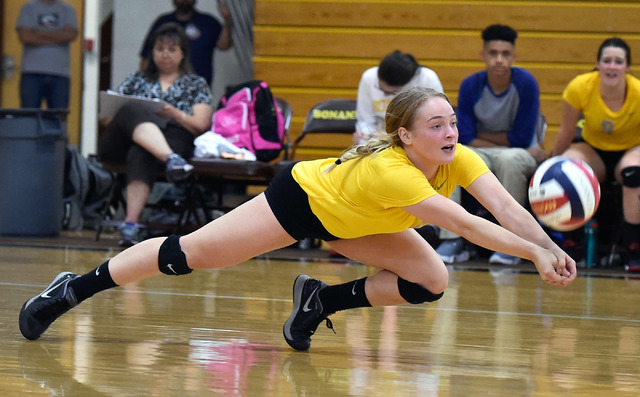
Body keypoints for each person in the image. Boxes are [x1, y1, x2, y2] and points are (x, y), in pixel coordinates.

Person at [19, 87, 576, 352]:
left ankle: (318, 302)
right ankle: (73, 289)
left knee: (431, 281)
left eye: (451, 121)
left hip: (358, 222)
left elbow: (505, 208)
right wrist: (535, 254)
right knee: (183, 256)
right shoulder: (396, 172)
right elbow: (472, 227)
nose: (450, 132)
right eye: (436, 125)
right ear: (406, 135)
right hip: (302, 200)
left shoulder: (461, 157)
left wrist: (549, 245)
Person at [436, 24, 546, 266]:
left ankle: (515, 242)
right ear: (483, 55)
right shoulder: (470, 85)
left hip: (519, 153)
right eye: (493, 53)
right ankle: (451, 239)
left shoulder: (526, 83)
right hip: (485, 149)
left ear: (514, 57)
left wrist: (481, 137)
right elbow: (463, 135)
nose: (499, 60)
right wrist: (495, 138)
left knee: (509, 160)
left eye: (505, 54)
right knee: (451, 157)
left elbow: (521, 136)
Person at [98, 23, 213, 247]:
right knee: (131, 109)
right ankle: (172, 160)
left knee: (141, 151)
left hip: (174, 135)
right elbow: (106, 117)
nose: (164, 54)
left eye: (171, 49)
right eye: (159, 48)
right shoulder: (137, 79)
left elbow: (201, 124)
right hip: (122, 140)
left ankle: (130, 225)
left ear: (183, 54)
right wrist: (133, 115)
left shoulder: (195, 83)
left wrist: (175, 114)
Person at [551, 37, 640, 272]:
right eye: (607, 60)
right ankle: (571, 242)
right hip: (593, 150)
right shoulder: (580, 87)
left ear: (628, 67)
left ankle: (632, 248)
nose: (612, 66)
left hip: (630, 149)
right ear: (598, 64)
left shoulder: (638, 93)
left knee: (634, 174)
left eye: (618, 62)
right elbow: (567, 131)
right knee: (565, 169)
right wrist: (549, 163)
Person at [353, 50, 443, 144]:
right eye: (380, 89)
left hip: (418, 140)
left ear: (404, 85)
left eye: (391, 92)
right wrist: (364, 137)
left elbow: (439, 120)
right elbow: (365, 120)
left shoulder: (427, 79)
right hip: (379, 142)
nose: (385, 95)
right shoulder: (369, 78)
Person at [140, 0, 232, 85]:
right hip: (165, 87)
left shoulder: (208, 22)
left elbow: (224, 46)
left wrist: (227, 20)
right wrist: (144, 83)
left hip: (199, 87)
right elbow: (146, 57)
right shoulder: (163, 22)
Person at [15, 0, 78, 109]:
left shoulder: (68, 9)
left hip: (59, 74)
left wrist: (38, 33)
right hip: (31, 73)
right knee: (29, 117)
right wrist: (58, 36)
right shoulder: (28, 8)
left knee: (58, 118)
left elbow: (70, 35)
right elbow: (25, 37)